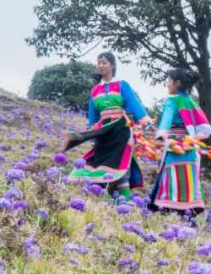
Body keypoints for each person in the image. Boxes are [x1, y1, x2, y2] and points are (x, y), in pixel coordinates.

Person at [63, 51, 150, 201]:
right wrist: (92, 132)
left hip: (121, 130)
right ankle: (100, 200)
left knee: (121, 164)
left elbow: (135, 106)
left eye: (104, 62)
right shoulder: (95, 90)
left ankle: (124, 203)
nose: (101, 65)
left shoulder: (122, 85)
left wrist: (145, 121)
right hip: (104, 132)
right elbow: (93, 116)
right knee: (100, 163)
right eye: (99, 63)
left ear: (112, 65)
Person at [148, 68, 211, 215]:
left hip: (174, 148)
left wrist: (160, 138)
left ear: (177, 83)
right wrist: (192, 138)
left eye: (169, 81)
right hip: (190, 150)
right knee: (188, 184)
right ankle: (187, 215)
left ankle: (166, 211)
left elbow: (165, 122)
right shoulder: (191, 102)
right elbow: (206, 129)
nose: (168, 85)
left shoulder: (172, 100)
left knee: (171, 182)